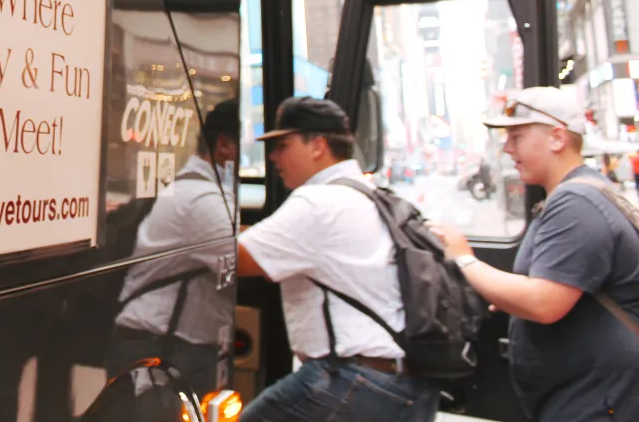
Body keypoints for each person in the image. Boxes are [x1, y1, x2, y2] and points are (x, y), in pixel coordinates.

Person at [430, 87, 639, 421]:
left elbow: (544, 302)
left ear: (557, 138)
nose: (508, 147)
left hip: (599, 399)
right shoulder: (573, 196)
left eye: (517, 136)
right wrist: (509, 293)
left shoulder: (576, 205)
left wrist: (462, 258)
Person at [234, 96, 440, 421]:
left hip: (355, 382)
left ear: (317, 145)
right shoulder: (369, 193)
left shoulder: (318, 201)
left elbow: (237, 260)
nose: (273, 157)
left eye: (282, 145)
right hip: (407, 387)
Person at [106, 99, 238, 399]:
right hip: (161, 350)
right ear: (225, 145)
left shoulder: (201, 191)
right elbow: (249, 262)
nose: (272, 158)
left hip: (172, 346)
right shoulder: (202, 200)